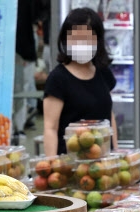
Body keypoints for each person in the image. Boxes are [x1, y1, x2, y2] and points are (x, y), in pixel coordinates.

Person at [43, 7, 118, 156]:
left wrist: (115, 152)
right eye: (75, 39)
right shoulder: (58, 78)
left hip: (103, 163)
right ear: (65, 40)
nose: (81, 45)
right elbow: (50, 127)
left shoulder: (103, 73)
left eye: (87, 39)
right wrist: (52, 166)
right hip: (71, 163)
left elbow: (109, 117)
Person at [13, 0, 40, 140]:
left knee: (20, 90)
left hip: (21, 48)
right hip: (19, 46)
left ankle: (18, 127)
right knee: (19, 89)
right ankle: (17, 127)